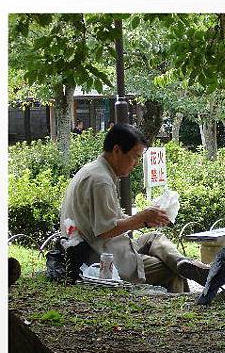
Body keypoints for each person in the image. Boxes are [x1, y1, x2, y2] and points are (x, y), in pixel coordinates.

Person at [59, 123, 209, 292]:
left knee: (154, 237)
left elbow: (109, 219)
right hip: (103, 257)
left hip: (109, 246)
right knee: (169, 271)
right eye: (135, 156)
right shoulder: (101, 181)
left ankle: (184, 264)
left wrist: (146, 219)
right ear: (117, 150)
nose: (136, 163)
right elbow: (105, 230)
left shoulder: (94, 171)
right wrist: (141, 219)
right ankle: (180, 310)